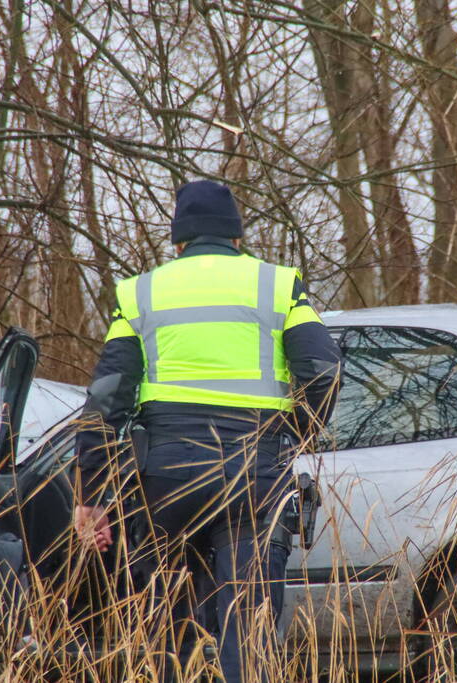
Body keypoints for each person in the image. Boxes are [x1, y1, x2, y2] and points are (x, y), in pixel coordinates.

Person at [73, 179, 341, 683]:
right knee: (249, 634)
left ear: (179, 242)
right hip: (253, 471)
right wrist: (295, 432)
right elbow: (324, 372)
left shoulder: (140, 292)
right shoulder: (278, 284)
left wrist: (92, 494)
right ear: (237, 238)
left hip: (165, 478)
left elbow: (106, 398)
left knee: (169, 637)